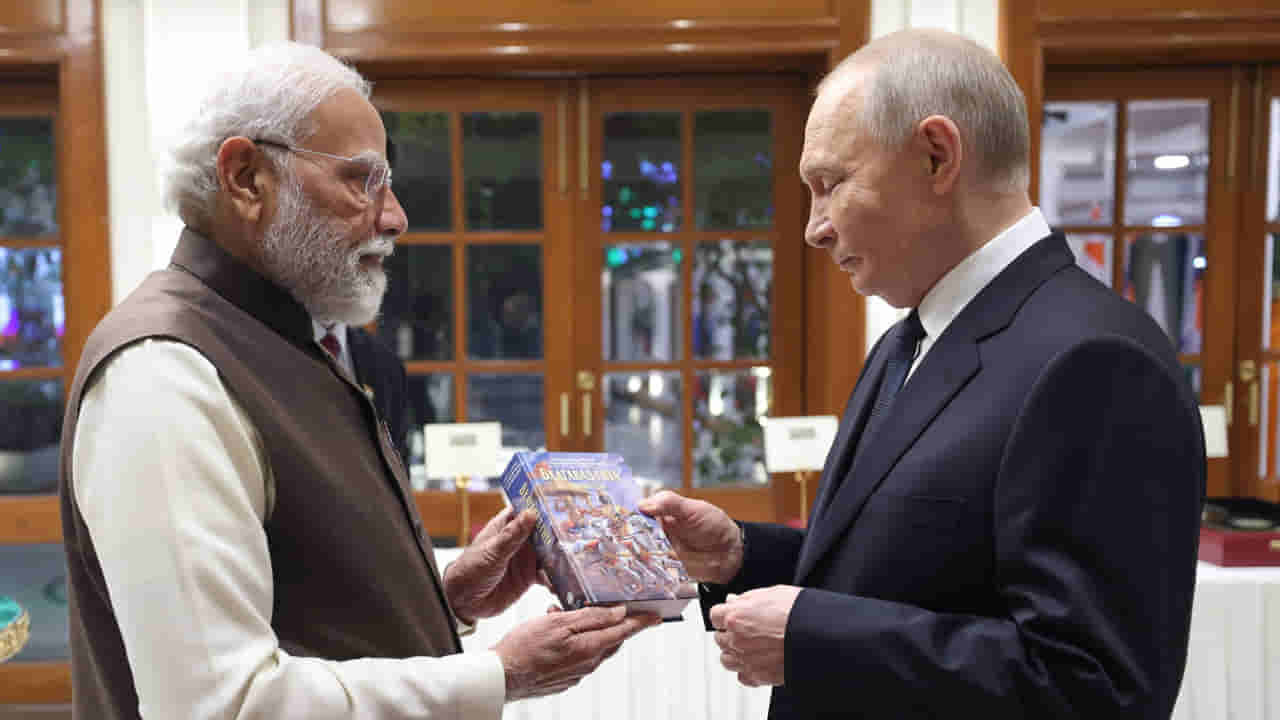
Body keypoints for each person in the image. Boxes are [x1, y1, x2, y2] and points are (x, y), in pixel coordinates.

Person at [59, 42, 656, 720]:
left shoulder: (278, 340)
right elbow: (224, 703)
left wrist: (447, 600)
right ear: (246, 178)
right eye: (362, 180)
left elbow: (303, 611)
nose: (395, 216)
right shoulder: (162, 372)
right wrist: (500, 676)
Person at [641, 28, 1204, 719]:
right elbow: (898, 576)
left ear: (937, 156)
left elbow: (1095, 688)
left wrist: (815, 640)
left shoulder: (1096, 362)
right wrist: (739, 555)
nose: (816, 228)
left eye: (830, 185)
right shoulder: (910, 339)